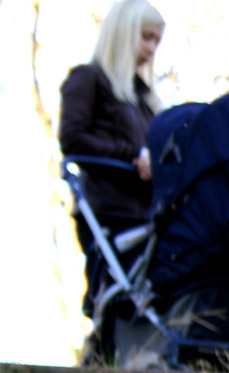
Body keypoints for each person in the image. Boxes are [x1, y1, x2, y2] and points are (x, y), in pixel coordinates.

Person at [59, 0, 165, 310]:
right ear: (124, 32)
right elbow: (72, 138)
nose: (151, 48)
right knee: (111, 296)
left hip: (146, 215)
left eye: (156, 41)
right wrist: (134, 155)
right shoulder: (89, 79)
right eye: (146, 37)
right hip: (108, 210)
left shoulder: (146, 103)